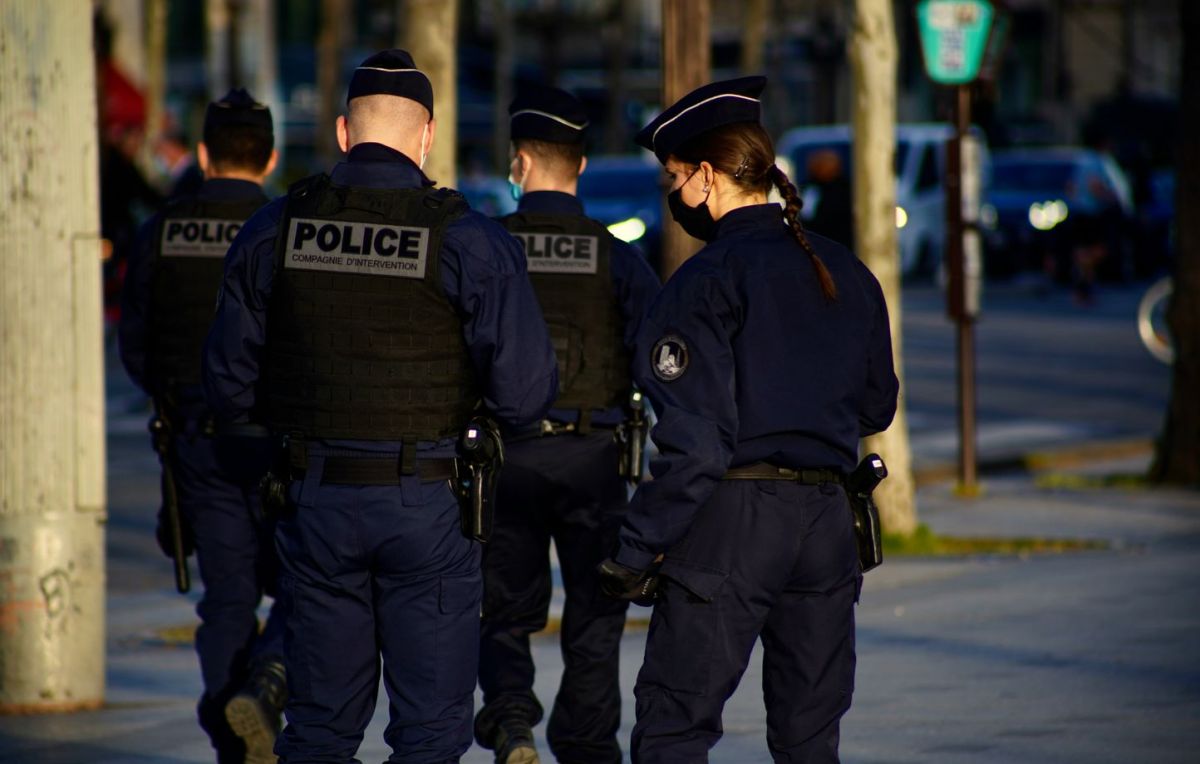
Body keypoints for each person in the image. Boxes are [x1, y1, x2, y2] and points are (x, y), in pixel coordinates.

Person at [201, 49, 559, 762]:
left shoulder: (275, 229)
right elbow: (525, 396)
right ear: (427, 136)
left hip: (315, 500)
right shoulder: (468, 240)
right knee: (429, 733)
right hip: (428, 504)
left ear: (343, 132)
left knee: (320, 728)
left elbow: (228, 385)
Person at [596, 77, 899, 762]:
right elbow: (876, 407)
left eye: (673, 179)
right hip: (828, 524)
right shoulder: (845, 270)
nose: (672, 195)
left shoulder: (705, 280)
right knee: (809, 739)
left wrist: (635, 549)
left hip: (732, 524)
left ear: (706, 177)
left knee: (674, 729)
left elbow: (697, 446)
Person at [474, 85, 661, 764]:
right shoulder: (617, 257)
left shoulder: (486, 248)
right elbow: (661, 365)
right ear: (579, 166)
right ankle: (585, 744)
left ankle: (511, 718)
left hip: (507, 459)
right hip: (594, 460)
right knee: (596, 611)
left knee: (501, 609)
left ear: (519, 163)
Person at [118, 88, 287, 764]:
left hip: (196, 437)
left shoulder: (163, 229)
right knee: (314, 580)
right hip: (277, 442)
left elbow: (136, 344)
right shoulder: (289, 228)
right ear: (271, 157)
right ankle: (266, 687)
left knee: (228, 598)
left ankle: (231, 736)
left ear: (204, 154)